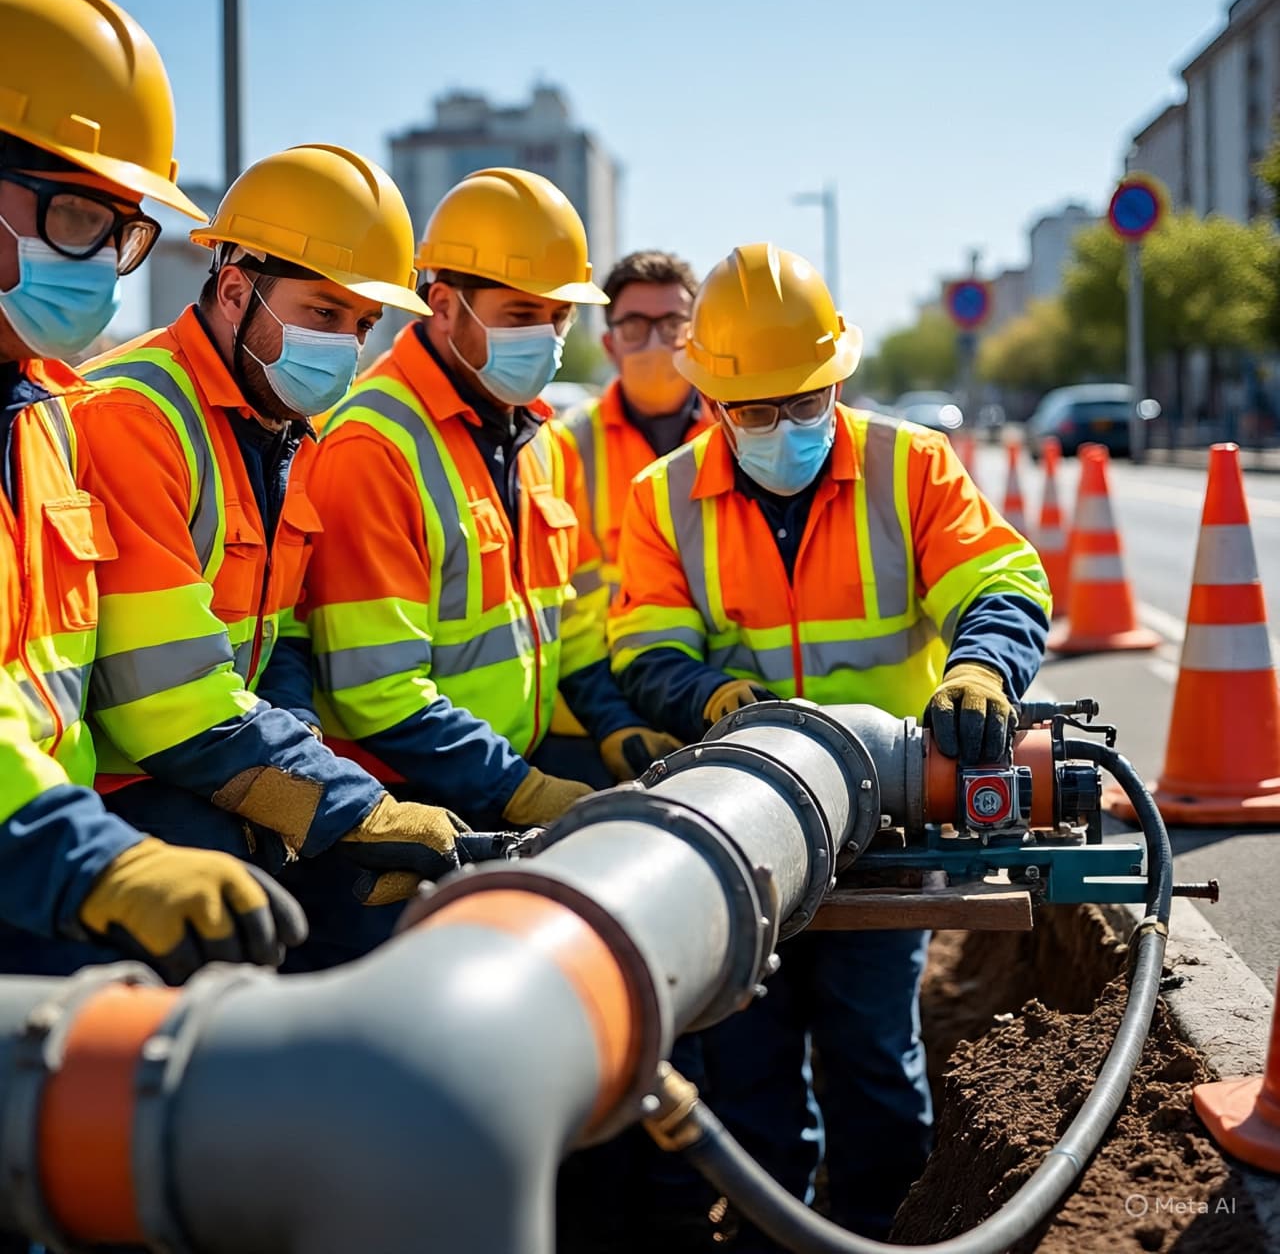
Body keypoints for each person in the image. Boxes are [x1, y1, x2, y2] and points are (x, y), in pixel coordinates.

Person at [609, 243, 1052, 1244]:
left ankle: (879, 1223)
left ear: (836, 377)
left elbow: (1000, 580)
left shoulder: (911, 465)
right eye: (753, 409)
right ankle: (774, 1229)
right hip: (741, 817)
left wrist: (979, 669)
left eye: (802, 400)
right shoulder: (663, 496)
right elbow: (641, 640)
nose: (781, 426)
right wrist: (711, 691)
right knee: (748, 1059)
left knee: (868, 1050)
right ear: (711, 400)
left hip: (885, 820)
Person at [68, 145, 476, 970]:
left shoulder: (294, 432)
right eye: (324, 314)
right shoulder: (134, 414)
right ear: (231, 289)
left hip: (220, 761)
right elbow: (163, 701)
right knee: (244, 943)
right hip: (122, 791)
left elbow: (279, 637)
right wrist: (347, 807)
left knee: (380, 917)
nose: (347, 346)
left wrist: (308, 768)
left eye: (363, 325)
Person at [0, 0, 307, 985]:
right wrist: (104, 859)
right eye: (80, 213)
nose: (109, 268)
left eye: (123, 232)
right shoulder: (122, 411)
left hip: (44, 874)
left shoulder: (47, 414)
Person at [302, 167, 679, 834]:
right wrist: (521, 790)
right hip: (392, 810)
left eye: (559, 317)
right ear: (443, 304)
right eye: (522, 315)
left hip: (492, 784)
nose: (547, 339)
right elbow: (374, 689)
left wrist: (616, 726)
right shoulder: (373, 445)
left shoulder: (540, 439)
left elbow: (577, 621)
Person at [559, 250, 711, 600]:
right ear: (610, 345)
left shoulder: (737, 433)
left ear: (698, 337)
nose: (656, 343)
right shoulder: (568, 445)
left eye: (673, 325)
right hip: (610, 650)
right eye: (635, 327)